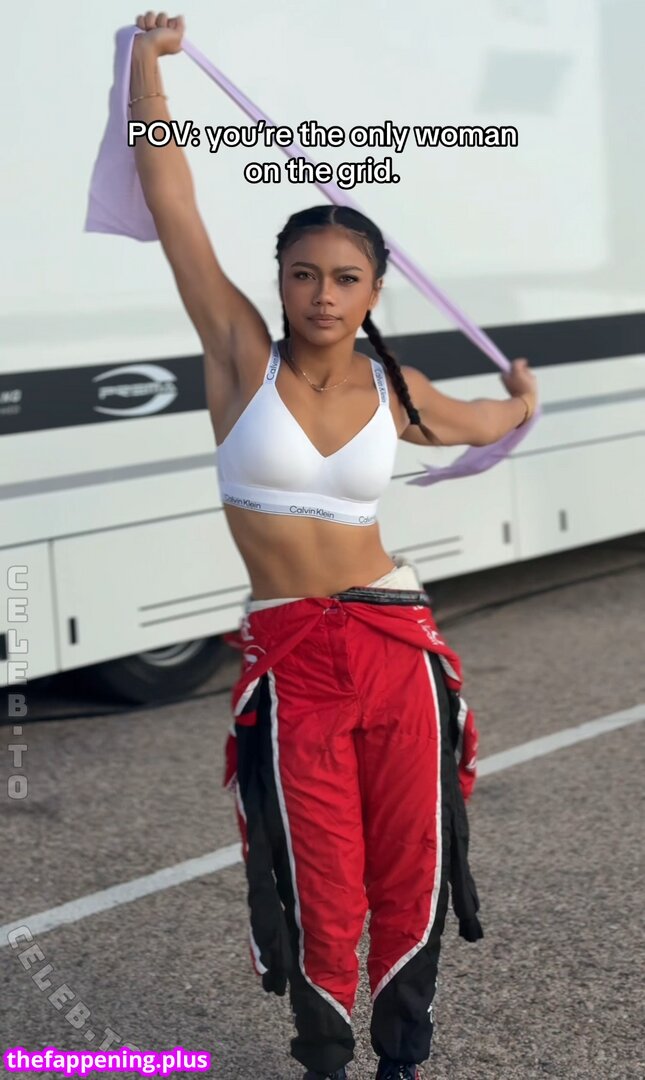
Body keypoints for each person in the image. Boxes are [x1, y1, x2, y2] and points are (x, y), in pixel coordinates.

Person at [130, 13, 538, 1079]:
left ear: (372, 291)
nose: (322, 294)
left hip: (396, 646)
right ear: (279, 280)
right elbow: (172, 202)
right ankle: (325, 1057)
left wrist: (520, 399)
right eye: (304, 274)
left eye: (345, 278)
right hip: (293, 660)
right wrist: (144, 68)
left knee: (411, 862)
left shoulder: (395, 389)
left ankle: (403, 1056)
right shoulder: (239, 358)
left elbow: (483, 422)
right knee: (319, 874)